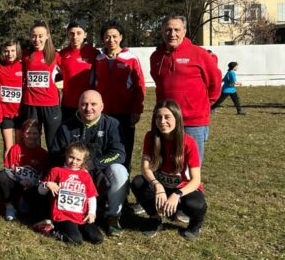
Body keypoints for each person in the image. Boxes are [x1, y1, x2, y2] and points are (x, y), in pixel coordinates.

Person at [49, 90, 127, 237]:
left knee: (120, 172)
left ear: (102, 106)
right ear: (78, 106)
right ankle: (65, 213)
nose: (88, 108)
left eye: (93, 104)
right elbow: (55, 155)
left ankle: (112, 217)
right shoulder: (66, 126)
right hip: (72, 175)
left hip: (100, 169)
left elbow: (119, 153)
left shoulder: (112, 124)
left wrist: (92, 164)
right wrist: (73, 171)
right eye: (84, 104)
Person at [131, 100, 207, 240]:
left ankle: (195, 225)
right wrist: (157, 185)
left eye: (167, 117)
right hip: (162, 186)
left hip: (182, 188)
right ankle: (154, 219)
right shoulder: (151, 137)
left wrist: (177, 194)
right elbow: (145, 167)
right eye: (158, 117)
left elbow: (196, 180)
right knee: (137, 182)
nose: (162, 121)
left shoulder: (188, 142)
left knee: (195, 204)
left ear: (177, 118)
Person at [150, 15, 221, 161]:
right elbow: (159, 82)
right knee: (165, 163)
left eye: (177, 29)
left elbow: (215, 81)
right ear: (162, 31)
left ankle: (191, 185)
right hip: (165, 121)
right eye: (168, 30)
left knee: (191, 166)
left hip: (193, 122)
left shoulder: (199, 54)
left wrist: (207, 103)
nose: (172, 34)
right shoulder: (156, 57)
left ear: (184, 31)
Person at [92, 20, 145, 172]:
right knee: (102, 147)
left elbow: (139, 86)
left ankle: (123, 187)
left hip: (124, 113)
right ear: (103, 39)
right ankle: (102, 185)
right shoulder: (99, 59)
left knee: (124, 148)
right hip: (103, 113)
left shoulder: (131, 59)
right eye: (107, 37)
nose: (111, 40)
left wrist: (137, 110)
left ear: (121, 37)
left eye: (115, 36)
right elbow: (93, 84)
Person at [39, 142, 103, 246]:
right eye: (71, 157)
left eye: (78, 159)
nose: (74, 161)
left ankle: (76, 231)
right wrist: (47, 184)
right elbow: (40, 191)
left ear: (84, 161)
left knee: (97, 239)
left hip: (81, 216)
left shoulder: (85, 176)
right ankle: (49, 230)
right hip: (63, 216)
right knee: (76, 241)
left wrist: (92, 213)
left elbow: (91, 196)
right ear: (66, 154)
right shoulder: (56, 171)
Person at [0, 119, 48, 222]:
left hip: (32, 187)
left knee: (27, 213)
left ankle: (23, 203)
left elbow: (44, 175)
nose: (31, 136)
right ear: (23, 134)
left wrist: (34, 183)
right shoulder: (15, 148)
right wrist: (19, 180)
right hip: (16, 183)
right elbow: (7, 169)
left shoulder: (43, 154)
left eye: (34, 133)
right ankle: (9, 206)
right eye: (28, 133)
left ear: (40, 134)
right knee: (1, 175)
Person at [22, 21, 62, 149]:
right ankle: (34, 168)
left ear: (47, 36)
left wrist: (60, 87)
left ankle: (53, 168)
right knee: (32, 142)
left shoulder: (55, 55)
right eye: (34, 36)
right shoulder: (26, 56)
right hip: (31, 104)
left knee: (53, 142)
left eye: (40, 36)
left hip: (50, 104)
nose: (37, 39)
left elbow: (67, 75)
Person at [59, 22, 99, 121]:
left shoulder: (94, 53)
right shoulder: (62, 54)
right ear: (67, 35)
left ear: (85, 34)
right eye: (71, 33)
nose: (75, 36)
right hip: (68, 104)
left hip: (88, 105)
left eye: (78, 33)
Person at [0, 40, 23, 160]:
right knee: (8, 147)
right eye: (7, 51)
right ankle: (7, 173)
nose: (10, 54)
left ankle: (19, 171)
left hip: (20, 112)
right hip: (5, 112)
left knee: (20, 146)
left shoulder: (23, 66)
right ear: (3, 52)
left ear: (17, 51)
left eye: (12, 51)